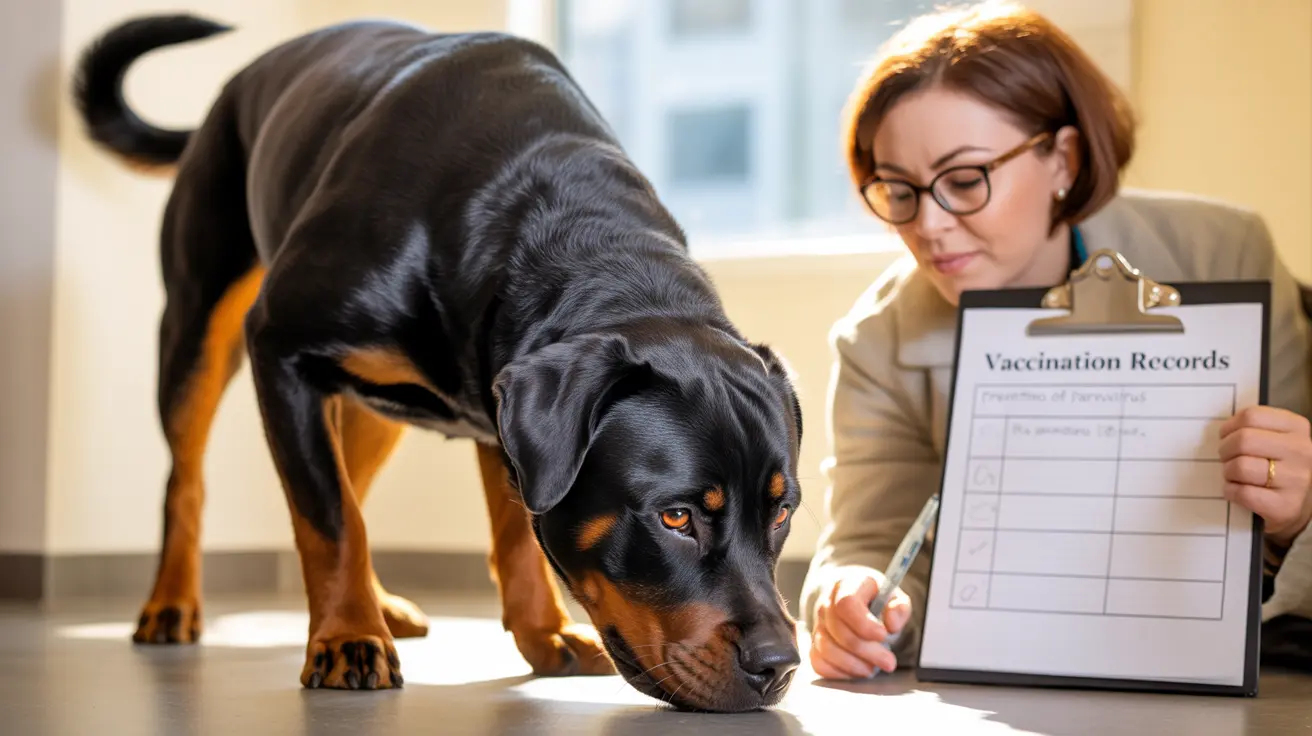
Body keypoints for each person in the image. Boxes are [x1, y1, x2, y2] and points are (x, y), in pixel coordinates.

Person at [799, 0, 1312, 680]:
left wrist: (1296, 514)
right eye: (898, 190)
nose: (929, 225)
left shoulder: (1227, 251)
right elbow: (869, 545)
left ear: (1062, 158)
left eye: (962, 180)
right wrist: (857, 602)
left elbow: (1289, 501)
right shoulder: (876, 338)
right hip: (1010, 681)